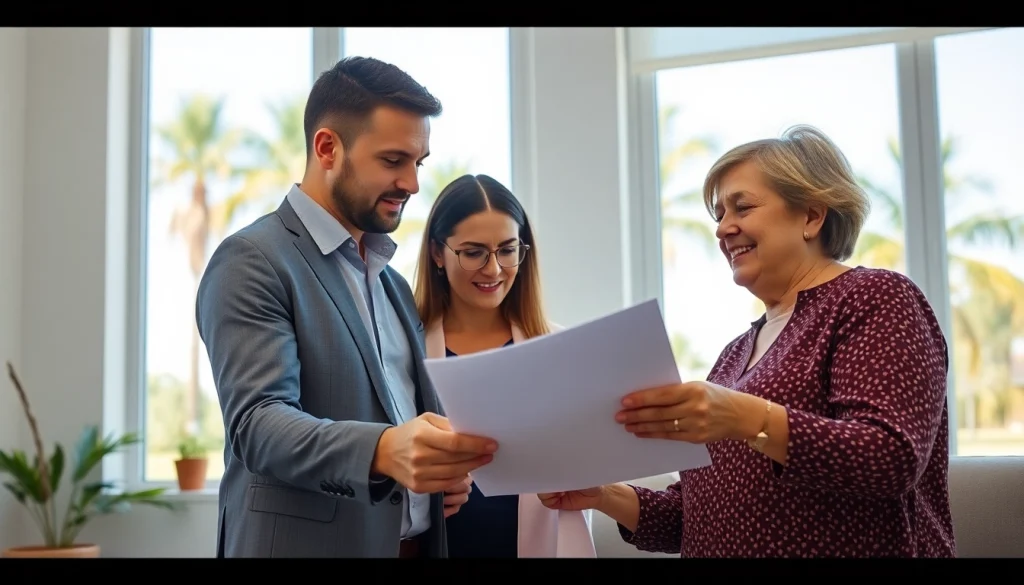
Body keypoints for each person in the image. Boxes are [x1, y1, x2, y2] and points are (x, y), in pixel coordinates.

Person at [538, 125, 957, 558]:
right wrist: (603, 495)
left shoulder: (874, 297)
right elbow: (697, 520)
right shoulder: (735, 354)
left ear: (812, 216)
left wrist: (746, 417)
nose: (723, 229)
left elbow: (889, 458)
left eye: (742, 207)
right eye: (718, 215)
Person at [195, 56, 497, 558]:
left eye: (417, 164)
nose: (413, 184)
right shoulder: (252, 260)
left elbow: (405, 421)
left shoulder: (395, 287)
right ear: (327, 147)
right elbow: (259, 423)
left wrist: (438, 476)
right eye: (393, 160)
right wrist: (384, 451)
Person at [412, 174, 597, 558]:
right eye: (473, 252)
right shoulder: (400, 348)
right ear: (436, 253)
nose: (494, 269)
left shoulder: (559, 349)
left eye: (508, 250)